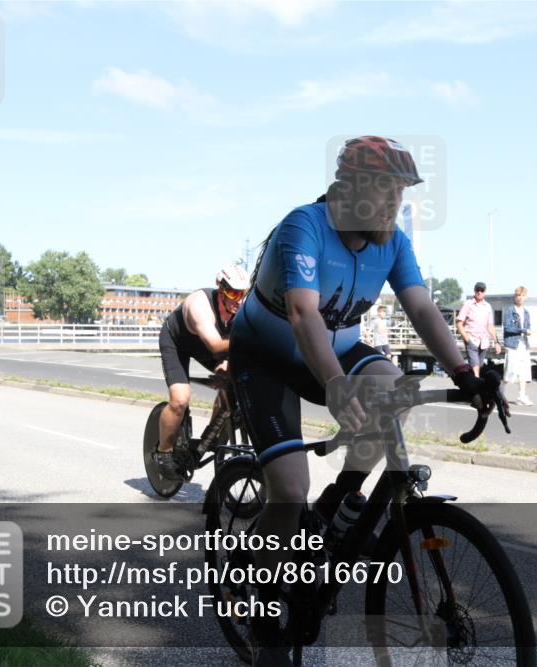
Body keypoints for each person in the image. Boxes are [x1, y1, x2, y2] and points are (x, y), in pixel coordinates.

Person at [229, 136, 486, 666]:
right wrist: (334, 384)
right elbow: (303, 316)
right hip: (267, 355)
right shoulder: (305, 226)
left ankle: (339, 506)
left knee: (393, 388)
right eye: (388, 193)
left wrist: (466, 370)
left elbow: (422, 310)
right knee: (290, 486)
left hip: (335, 348)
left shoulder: (392, 240)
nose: (397, 206)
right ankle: (263, 610)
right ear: (350, 189)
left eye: (402, 194)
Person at [154, 264, 250, 480]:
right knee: (180, 400)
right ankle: (164, 453)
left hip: (209, 347)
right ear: (220, 288)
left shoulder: (240, 307)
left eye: (242, 293)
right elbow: (216, 345)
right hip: (179, 342)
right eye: (233, 292)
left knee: (232, 379)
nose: (238, 300)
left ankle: (211, 435)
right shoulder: (200, 304)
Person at [456, 281, 501, 376]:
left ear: (485, 292)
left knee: (478, 366)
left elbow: (490, 326)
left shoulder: (488, 307)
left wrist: (496, 343)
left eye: (482, 290)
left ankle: (473, 385)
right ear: (474, 290)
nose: (479, 292)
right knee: (475, 366)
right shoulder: (468, 304)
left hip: (484, 342)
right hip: (471, 340)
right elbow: (459, 323)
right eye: (477, 290)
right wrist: (467, 339)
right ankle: (476, 386)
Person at [503, 286, 533, 405]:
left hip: (524, 344)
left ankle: (522, 395)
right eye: (518, 296)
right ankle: (499, 392)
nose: (520, 298)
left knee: (524, 371)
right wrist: (523, 330)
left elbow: (528, 326)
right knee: (510, 370)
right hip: (512, 344)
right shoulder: (510, 310)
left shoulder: (526, 312)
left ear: (525, 297)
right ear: (515, 297)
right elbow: (507, 328)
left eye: (522, 296)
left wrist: (528, 330)